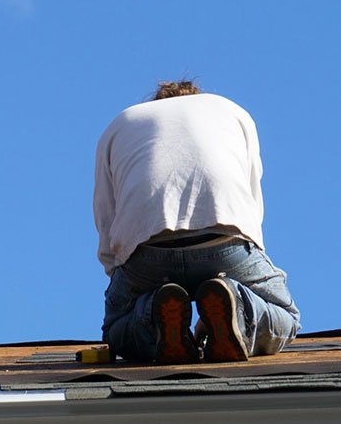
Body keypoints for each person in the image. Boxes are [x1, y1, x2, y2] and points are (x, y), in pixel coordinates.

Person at [93, 80, 299, 363]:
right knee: (286, 316)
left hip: (148, 249)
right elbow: (251, 207)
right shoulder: (233, 112)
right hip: (224, 239)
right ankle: (237, 306)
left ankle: (155, 314)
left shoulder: (121, 123)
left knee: (117, 327)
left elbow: (106, 218)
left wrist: (125, 281)